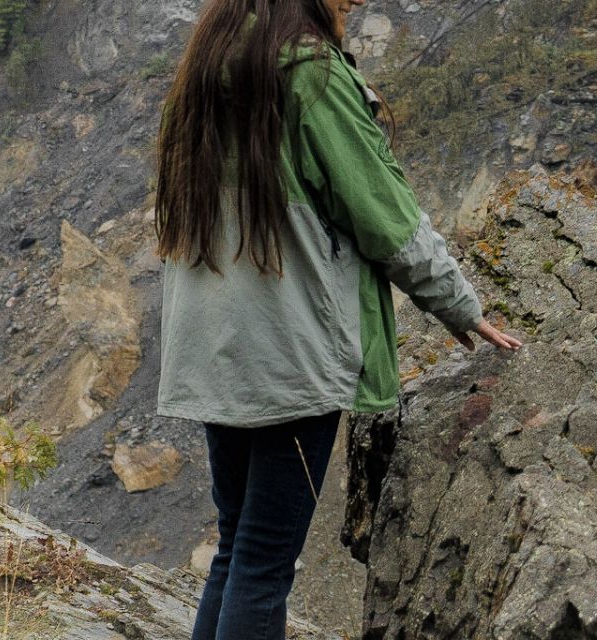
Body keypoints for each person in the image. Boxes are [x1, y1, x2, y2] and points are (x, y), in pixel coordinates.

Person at [151, 0, 523, 637]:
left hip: (216, 341)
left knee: (236, 543)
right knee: (266, 559)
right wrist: (458, 303)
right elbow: (384, 214)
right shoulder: (310, 75)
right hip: (289, 349)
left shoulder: (209, 62)